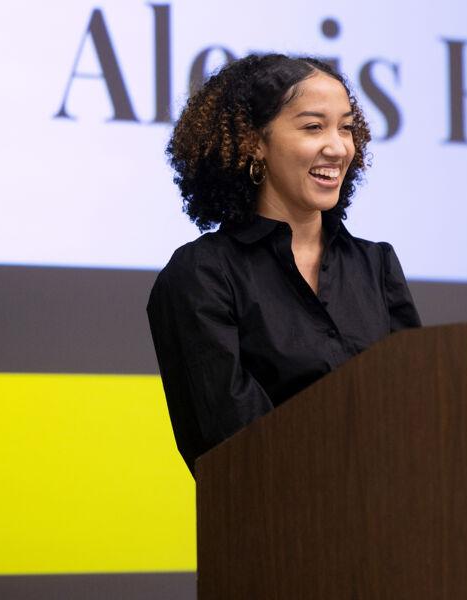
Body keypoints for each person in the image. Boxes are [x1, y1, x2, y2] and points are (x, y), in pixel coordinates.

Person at [147, 54, 421, 476]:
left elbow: (418, 409)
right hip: (276, 527)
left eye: (346, 127)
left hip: (391, 522)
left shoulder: (376, 265)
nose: (338, 147)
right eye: (314, 127)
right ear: (254, 141)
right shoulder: (203, 273)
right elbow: (230, 442)